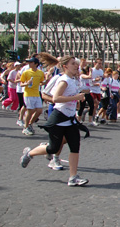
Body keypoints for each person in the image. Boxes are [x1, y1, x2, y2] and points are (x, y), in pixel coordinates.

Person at [20, 56, 90, 186]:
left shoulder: (73, 80)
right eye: (73, 64)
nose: (76, 66)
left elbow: (72, 96)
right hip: (59, 117)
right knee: (53, 148)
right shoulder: (63, 80)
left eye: (77, 64)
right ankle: (29, 153)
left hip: (70, 119)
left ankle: (73, 177)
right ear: (65, 66)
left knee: (75, 146)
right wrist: (76, 97)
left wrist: (79, 99)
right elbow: (56, 98)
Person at [19, 57, 46, 135]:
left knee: (39, 110)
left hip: (36, 93)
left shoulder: (40, 72)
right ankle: (26, 127)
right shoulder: (26, 72)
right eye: (29, 62)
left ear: (36, 64)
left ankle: (30, 124)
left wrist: (46, 81)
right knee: (30, 111)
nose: (29, 64)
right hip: (28, 94)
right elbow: (21, 83)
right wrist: (26, 84)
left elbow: (41, 82)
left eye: (31, 62)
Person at [89, 59, 104, 125]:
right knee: (96, 103)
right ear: (95, 63)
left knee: (95, 105)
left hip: (98, 90)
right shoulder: (92, 70)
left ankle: (86, 112)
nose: (100, 65)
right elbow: (89, 80)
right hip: (92, 89)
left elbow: (102, 79)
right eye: (99, 63)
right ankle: (93, 119)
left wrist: (101, 85)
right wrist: (95, 80)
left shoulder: (101, 71)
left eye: (101, 63)